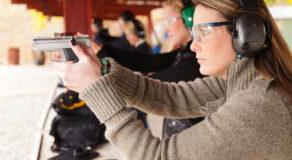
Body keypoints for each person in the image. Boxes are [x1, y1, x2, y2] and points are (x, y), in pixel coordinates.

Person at [56, 0, 292, 159]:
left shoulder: (260, 105)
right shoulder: (238, 81)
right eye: (193, 33)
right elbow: (169, 97)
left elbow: (157, 156)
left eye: (204, 32)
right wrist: (102, 69)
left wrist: (95, 88)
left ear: (246, 33)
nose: (194, 45)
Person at [94, 0, 204, 138]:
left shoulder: (196, 58)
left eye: (169, 20)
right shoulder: (182, 52)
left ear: (189, 19)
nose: (166, 29)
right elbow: (146, 61)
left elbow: (156, 79)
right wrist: (102, 50)